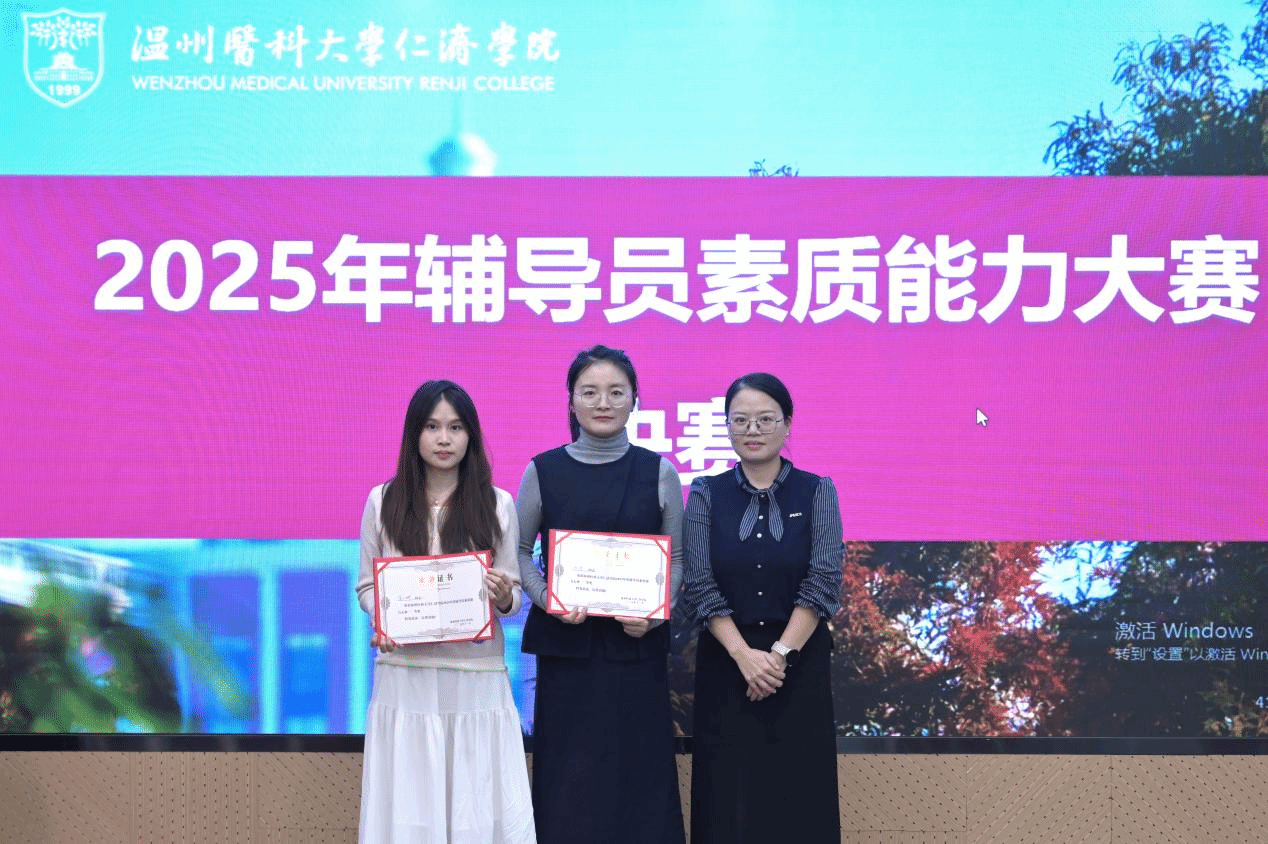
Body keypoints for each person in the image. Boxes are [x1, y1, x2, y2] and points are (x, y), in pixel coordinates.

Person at [516, 345, 686, 844]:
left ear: (635, 399)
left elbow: (677, 560)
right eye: (589, 392)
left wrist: (656, 615)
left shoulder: (659, 471)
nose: (603, 402)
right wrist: (549, 600)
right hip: (567, 655)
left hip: (636, 653)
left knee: (640, 785)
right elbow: (517, 553)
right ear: (571, 400)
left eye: (616, 392)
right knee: (569, 785)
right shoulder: (543, 470)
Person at [355, 380, 535, 844]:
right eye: (432, 427)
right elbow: (368, 586)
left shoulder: (498, 504)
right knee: (411, 808)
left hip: (475, 678)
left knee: (477, 807)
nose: (443, 439)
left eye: (455, 428)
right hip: (406, 676)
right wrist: (382, 618)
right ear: (414, 433)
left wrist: (502, 595)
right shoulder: (382, 501)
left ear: (470, 435)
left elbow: (514, 596)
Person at [682, 372, 843, 844]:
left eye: (766, 419)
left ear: (787, 424)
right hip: (726, 661)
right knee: (725, 797)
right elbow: (700, 583)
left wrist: (777, 657)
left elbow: (823, 580)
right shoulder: (705, 493)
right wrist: (743, 656)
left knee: (799, 795)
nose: (752, 430)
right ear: (728, 427)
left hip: (798, 661)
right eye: (741, 420)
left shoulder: (818, 491)